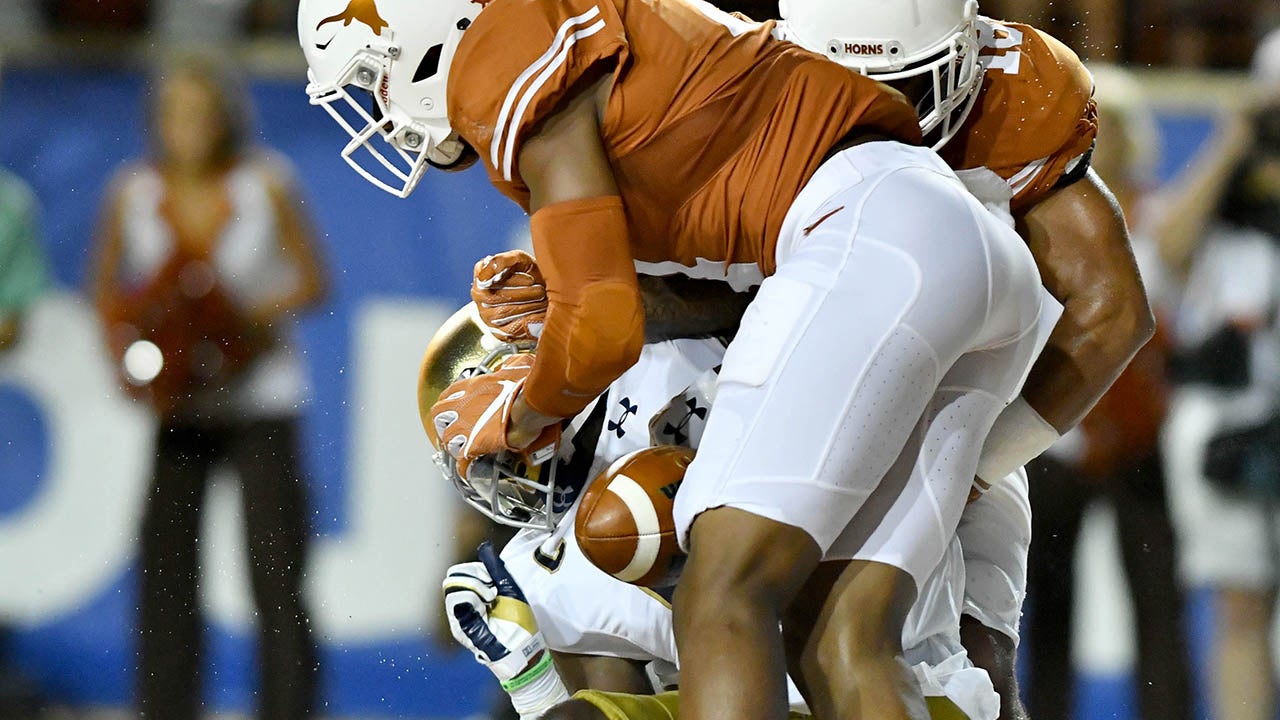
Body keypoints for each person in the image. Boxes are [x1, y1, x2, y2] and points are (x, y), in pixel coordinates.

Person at [299, 1, 1053, 718]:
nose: (385, 102)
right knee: (843, 637)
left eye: (376, 73)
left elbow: (600, 328)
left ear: (426, 30)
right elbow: (669, 281)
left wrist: (518, 412)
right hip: (946, 240)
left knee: (722, 597)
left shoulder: (508, 52)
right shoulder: (593, 49)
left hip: (867, 237)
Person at [420, 298, 998, 720]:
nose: (511, 476)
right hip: (741, 699)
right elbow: (613, 701)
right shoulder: (545, 562)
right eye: (488, 465)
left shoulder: (676, 353)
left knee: (981, 645)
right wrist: (533, 684)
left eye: (506, 443)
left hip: (894, 630)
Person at [87, 53, 328, 720]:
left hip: (262, 399)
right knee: (165, 573)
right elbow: (105, 293)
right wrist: (137, 352)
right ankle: (164, 708)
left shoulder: (265, 183)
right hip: (180, 405)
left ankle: (290, 709)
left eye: (201, 112)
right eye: (175, 113)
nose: (188, 126)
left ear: (225, 119)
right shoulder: (131, 192)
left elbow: (314, 281)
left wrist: (238, 324)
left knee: (277, 573)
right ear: (157, 122)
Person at [1019, 64, 1190, 720]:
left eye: (1111, 125)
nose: (1099, 137)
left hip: (1135, 433)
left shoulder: (1153, 213)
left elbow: (1141, 305)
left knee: (1156, 598)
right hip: (1059, 433)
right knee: (1043, 601)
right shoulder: (1034, 216)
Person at [1162, 29, 1280, 720]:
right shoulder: (1223, 187)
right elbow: (1167, 247)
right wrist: (1231, 142)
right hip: (1229, 413)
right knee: (1238, 603)